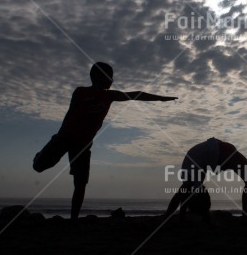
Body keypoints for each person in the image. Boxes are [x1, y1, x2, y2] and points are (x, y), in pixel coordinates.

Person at [33, 62, 177, 220]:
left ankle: (73, 219)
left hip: (83, 145)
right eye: (109, 76)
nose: (112, 80)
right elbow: (72, 115)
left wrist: (161, 99)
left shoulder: (110, 96)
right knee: (39, 167)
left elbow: (136, 94)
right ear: (97, 77)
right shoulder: (80, 92)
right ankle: (39, 155)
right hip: (63, 138)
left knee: (80, 183)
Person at [164, 138, 247, 222]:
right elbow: (183, 197)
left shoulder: (191, 176)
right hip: (221, 150)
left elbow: (181, 197)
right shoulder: (191, 176)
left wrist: (172, 217)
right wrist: (181, 217)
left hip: (222, 150)